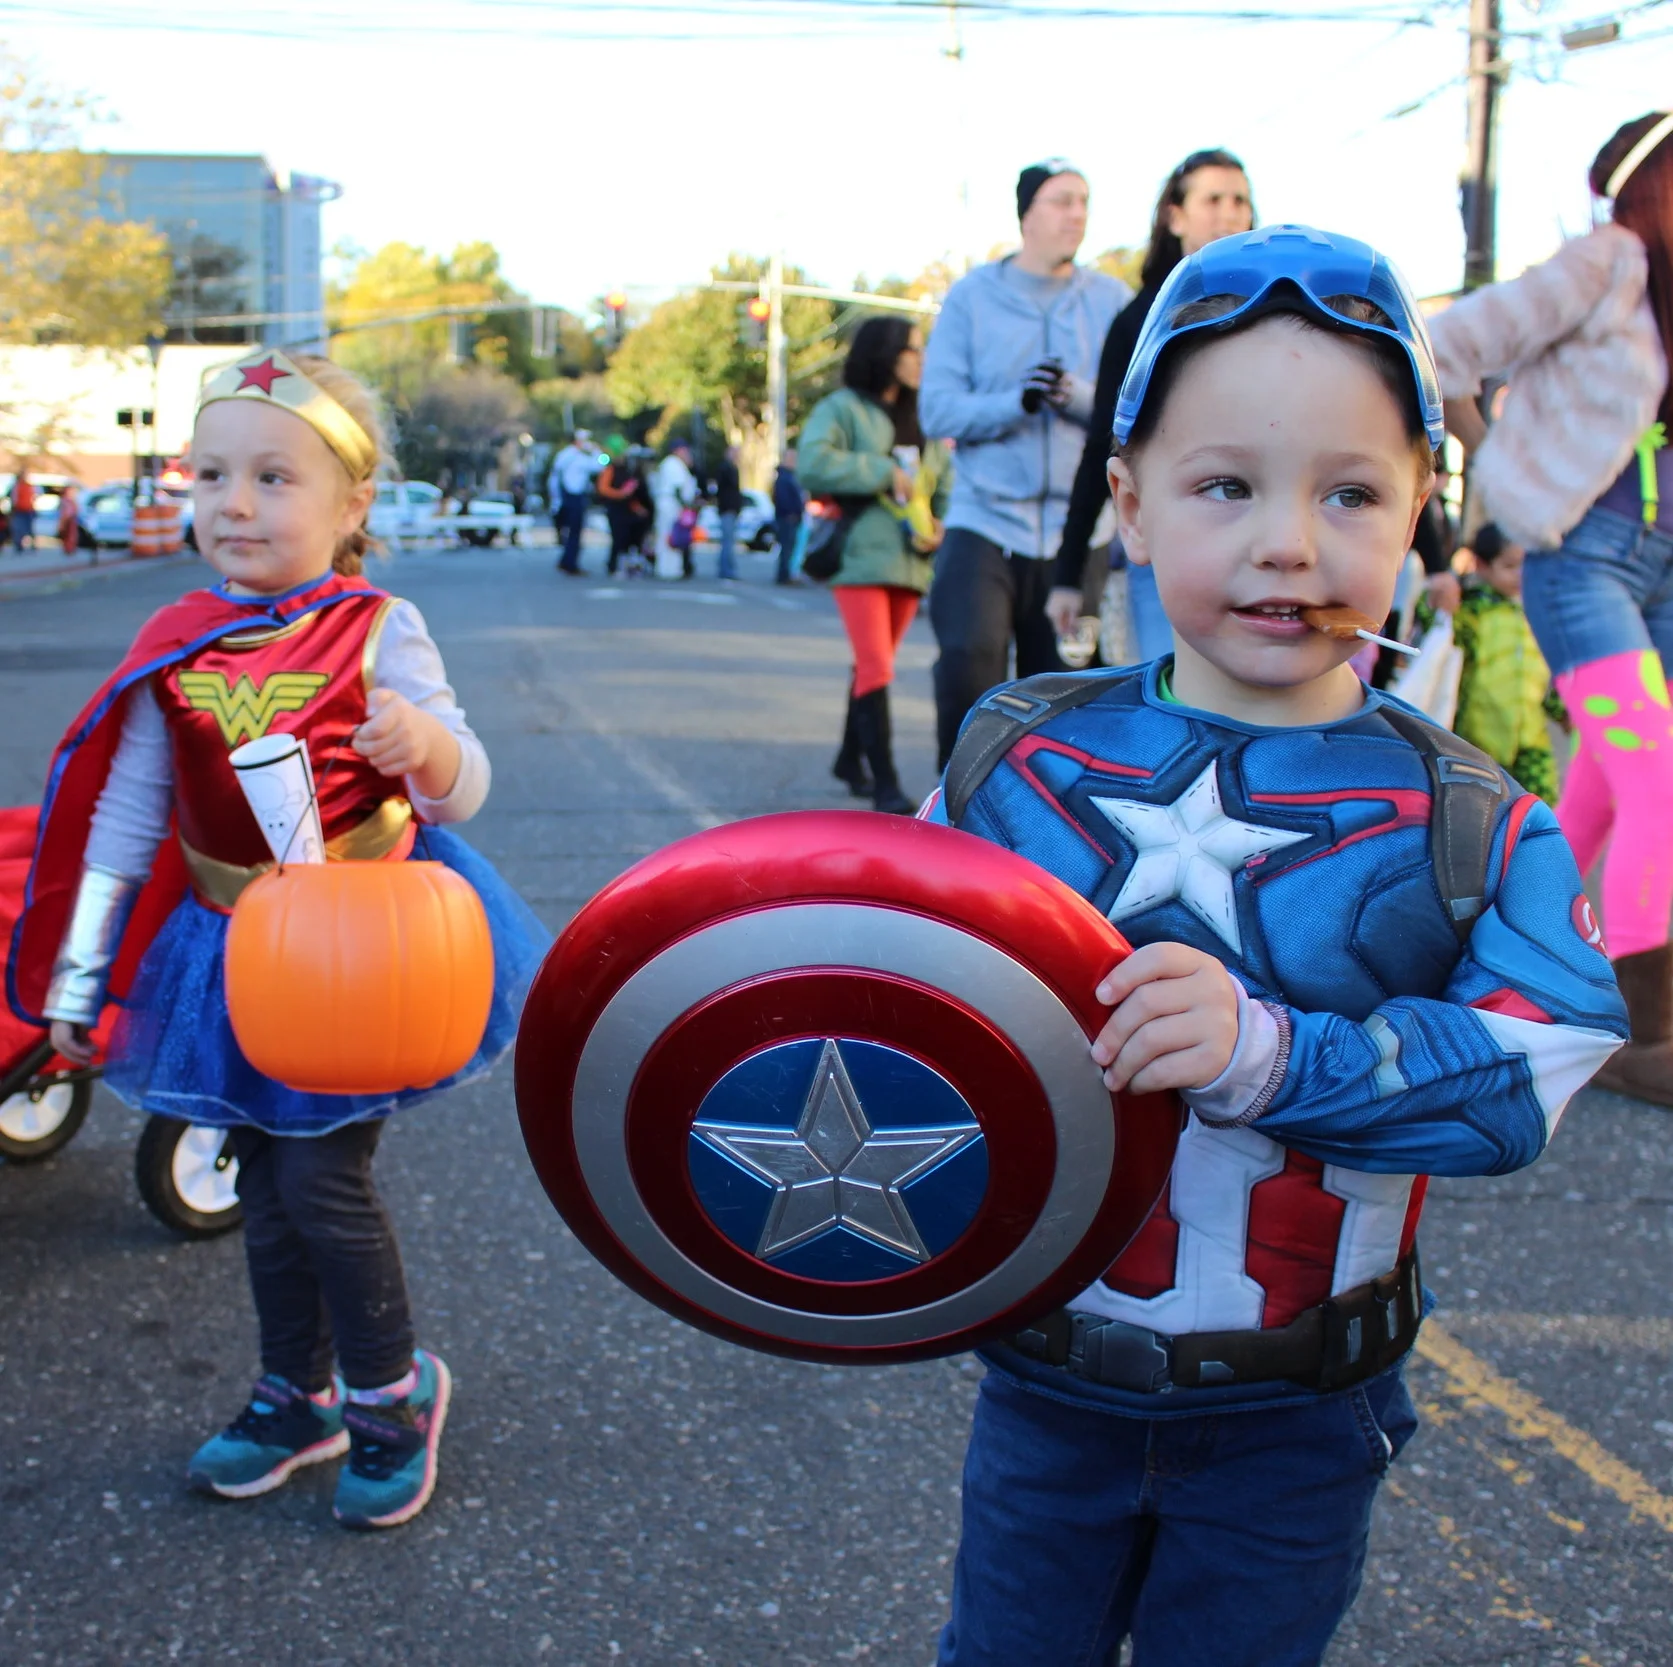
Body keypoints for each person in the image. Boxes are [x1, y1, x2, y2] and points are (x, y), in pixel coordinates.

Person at [922, 226, 1627, 1666]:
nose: (1288, 541)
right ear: (1129, 500)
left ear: (1424, 502)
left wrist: (1265, 1049)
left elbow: (1525, 1069)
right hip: (1047, 1381)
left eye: (1351, 491)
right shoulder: (1014, 754)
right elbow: (880, 987)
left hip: (1297, 1410)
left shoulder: (1473, 817)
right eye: (1225, 484)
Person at [9, 349, 549, 1530]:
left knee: (320, 1175)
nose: (234, 503)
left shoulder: (376, 629)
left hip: (362, 948)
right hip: (229, 945)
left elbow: (467, 786)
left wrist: (425, 745)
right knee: (261, 1173)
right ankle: (294, 1393)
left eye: (271, 476)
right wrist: (78, 978)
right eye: (210, 474)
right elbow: (128, 813)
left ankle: (393, 1392)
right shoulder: (178, 638)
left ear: (352, 504)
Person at [1427, 111, 1673, 1106]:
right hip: (1584, 564)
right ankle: (1639, 1025)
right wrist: (1502, 473)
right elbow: (1444, 345)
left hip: (1663, 564)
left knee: (1606, 792)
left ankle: (1521, 960)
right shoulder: (1606, 263)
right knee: (1660, 781)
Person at [920, 160, 1130, 768]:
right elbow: (937, 410)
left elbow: (1133, 407)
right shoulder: (971, 298)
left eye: (1084, 201)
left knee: (1066, 695)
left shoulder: (1111, 300)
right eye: (1061, 201)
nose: (1077, 214)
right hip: (985, 518)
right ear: (1026, 215)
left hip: (1078, 528)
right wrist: (1017, 402)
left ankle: (1046, 835)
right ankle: (956, 810)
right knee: (967, 661)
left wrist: (1077, 399)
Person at [1046, 149, 1255, 658]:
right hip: (1171, 552)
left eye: (1240, 200)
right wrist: (1068, 575)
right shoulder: (1140, 322)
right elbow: (1105, 443)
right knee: (1183, 711)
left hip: (1269, 546)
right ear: (1175, 216)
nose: (1228, 213)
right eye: (1212, 200)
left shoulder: (1288, 314)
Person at [800, 317, 950, 813]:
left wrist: (942, 524)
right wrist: (881, 470)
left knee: (872, 665)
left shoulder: (922, 415)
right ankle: (885, 785)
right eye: (911, 350)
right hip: (861, 557)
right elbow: (812, 464)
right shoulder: (842, 409)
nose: (920, 359)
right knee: (876, 666)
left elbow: (940, 479)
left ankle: (848, 759)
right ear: (883, 353)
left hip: (911, 562)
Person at [1416, 523, 1564, 804]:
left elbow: (1548, 672)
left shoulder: (1534, 613)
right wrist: (1438, 600)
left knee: (1540, 809)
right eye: (1509, 566)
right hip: (1477, 739)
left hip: (1530, 740)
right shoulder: (1471, 612)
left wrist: (1562, 711)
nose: (1520, 575)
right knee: (1478, 808)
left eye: (1525, 565)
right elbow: (1436, 628)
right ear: (1482, 566)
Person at [549, 430, 602, 575]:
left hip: (565, 497)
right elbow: (601, 464)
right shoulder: (578, 458)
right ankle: (570, 563)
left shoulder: (563, 455)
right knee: (575, 532)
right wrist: (597, 451)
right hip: (574, 497)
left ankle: (566, 560)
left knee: (571, 531)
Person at [597, 447, 653, 576]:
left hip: (627, 510)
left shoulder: (630, 473)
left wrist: (637, 507)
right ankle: (613, 565)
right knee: (617, 538)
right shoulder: (610, 469)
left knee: (629, 538)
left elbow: (634, 496)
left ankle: (630, 565)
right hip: (614, 508)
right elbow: (603, 489)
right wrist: (620, 494)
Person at [652, 438, 699, 580]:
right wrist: (686, 506)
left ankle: (668, 568)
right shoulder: (673, 463)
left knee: (670, 536)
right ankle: (668, 569)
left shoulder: (672, 464)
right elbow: (677, 488)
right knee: (671, 536)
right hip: (671, 503)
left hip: (669, 502)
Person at [772, 445, 805, 585]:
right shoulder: (784, 477)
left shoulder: (791, 476)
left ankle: (786, 573)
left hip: (792, 517)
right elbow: (782, 498)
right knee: (786, 547)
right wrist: (791, 512)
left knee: (790, 547)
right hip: (787, 517)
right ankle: (784, 575)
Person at [713, 442, 743, 581]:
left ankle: (726, 568)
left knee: (728, 541)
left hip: (730, 509)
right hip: (727, 509)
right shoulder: (726, 469)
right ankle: (726, 569)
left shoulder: (732, 468)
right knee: (727, 541)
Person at [11, 471, 35, 551]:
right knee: (23, 528)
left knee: (23, 528)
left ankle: (28, 545)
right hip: (23, 509)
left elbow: (14, 498)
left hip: (24, 510)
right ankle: (22, 545)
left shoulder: (21, 486)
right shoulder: (23, 486)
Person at [57, 481, 80, 558]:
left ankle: (70, 548)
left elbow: (76, 509)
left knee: (71, 535)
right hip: (67, 519)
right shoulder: (65, 500)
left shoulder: (71, 500)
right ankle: (68, 548)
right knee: (68, 535)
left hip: (71, 518)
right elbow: (64, 512)